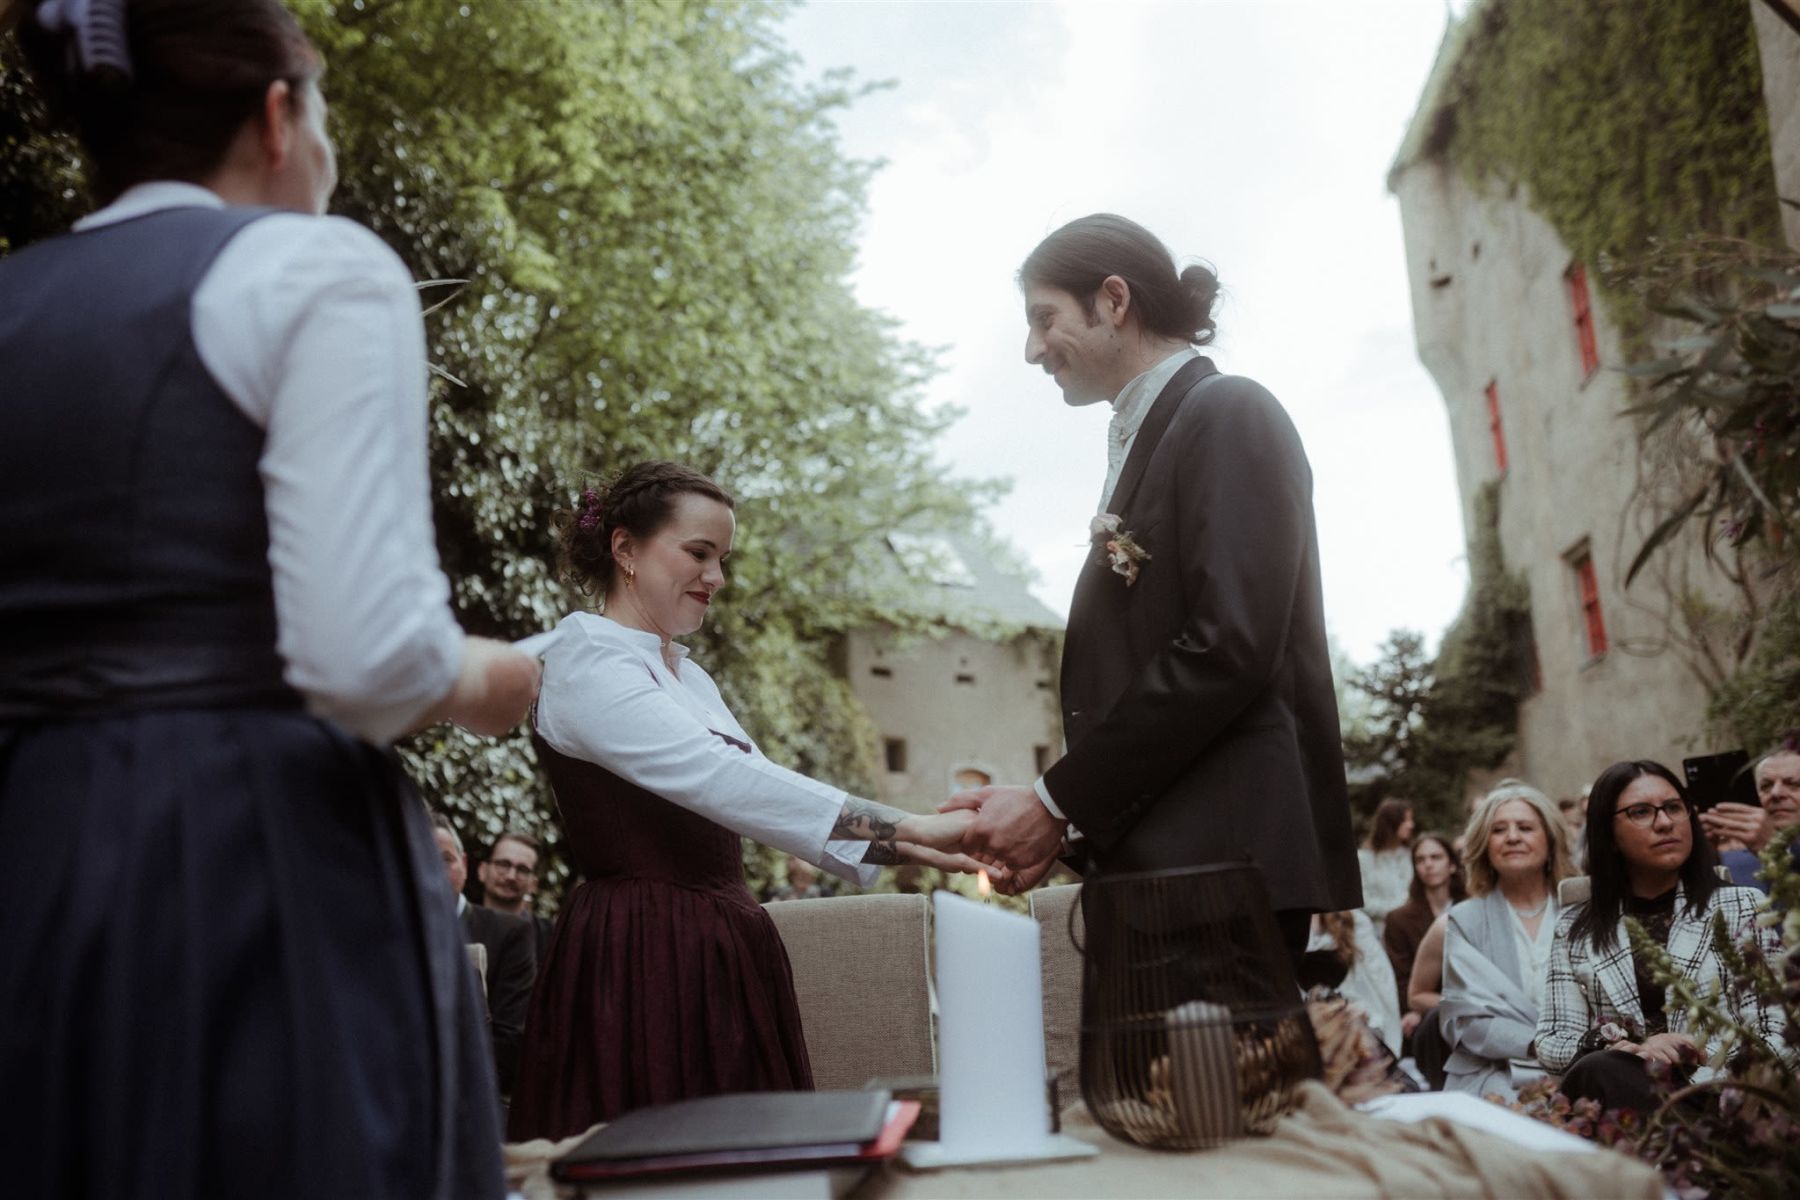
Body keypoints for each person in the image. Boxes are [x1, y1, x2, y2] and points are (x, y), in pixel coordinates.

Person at [0, 2, 540, 1196]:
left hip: (31, 844)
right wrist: (494, 679)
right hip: (257, 854)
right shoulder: (315, 267)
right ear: (280, 116)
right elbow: (365, 663)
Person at [507, 463, 982, 1138]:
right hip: (643, 949)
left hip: (724, 941)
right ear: (625, 549)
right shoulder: (587, 659)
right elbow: (717, 778)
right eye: (698, 553)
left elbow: (765, 789)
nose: (716, 578)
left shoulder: (688, 674)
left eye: (722, 559)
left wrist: (911, 840)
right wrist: (905, 828)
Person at [944, 214, 1360, 966]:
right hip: (1158, 880)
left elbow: (1229, 646)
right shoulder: (1155, 433)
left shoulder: (1232, 413)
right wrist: (1068, 821)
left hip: (1218, 881)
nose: (1033, 349)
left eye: (1045, 318)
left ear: (1112, 300)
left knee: (1217, 1091)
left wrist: (1053, 803)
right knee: (1148, 1092)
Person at [1536, 761, 1785, 1115]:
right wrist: (1628, 1048)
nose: (1665, 822)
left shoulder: (1742, 907)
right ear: (1609, 832)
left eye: (1673, 808)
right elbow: (1552, 1043)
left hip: (1722, 1099)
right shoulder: (1577, 927)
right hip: (1618, 1106)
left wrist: (1691, 1062)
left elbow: (1775, 1033)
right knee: (1598, 1067)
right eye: (1641, 812)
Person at [1437, 780, 1578, 1099]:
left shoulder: (1582, 911)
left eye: (1525, 827)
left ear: (1550, 840)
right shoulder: (1465, 919)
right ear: (1484, 845)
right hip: (1494, 1071)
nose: (1512, 837)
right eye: (1499, 830)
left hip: (1581, 1066)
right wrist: (1540, 1045)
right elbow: (1463, 1019)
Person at [435, 814, 536, 1098]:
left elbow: (509, 1045)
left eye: (445, 859)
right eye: (420, 856)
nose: (432, 868)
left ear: (465, 865)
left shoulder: (513, 933)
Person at [1383, 832, 1465, 1035]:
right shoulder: (1398, 919)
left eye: (1436, 857)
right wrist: (1412, 1011)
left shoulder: (1474, 908)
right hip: (1424, 1011)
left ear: (1452, 865)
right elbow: (1400, 976)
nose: (1428, 864)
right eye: (1420, 860)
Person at [1301, 911, 1403, 1057]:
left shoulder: (1353, 921)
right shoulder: (1278, 922)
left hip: (1356, 1021)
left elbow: (1380, 984)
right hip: (1306, 1026)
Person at [1698, 745, 1800, 889]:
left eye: (1794, 784)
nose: (1775, 793)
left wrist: (1778, 852)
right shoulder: (1728, 862)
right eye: (1766, 786)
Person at [479, 829, 553, 961]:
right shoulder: (456, 925)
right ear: (483, 871)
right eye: (503, 864)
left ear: (533, 884)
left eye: (522, 870)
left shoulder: (551, 938)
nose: (511, 876)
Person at [1358, 799, 1417, 934]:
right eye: (1406, 820)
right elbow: (1364, 902)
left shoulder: (1412, 855)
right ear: (1391, 823)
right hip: (1377, 932)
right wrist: (1400, 909)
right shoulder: (1364, 859)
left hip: (1410, 929)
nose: (1411, 825)